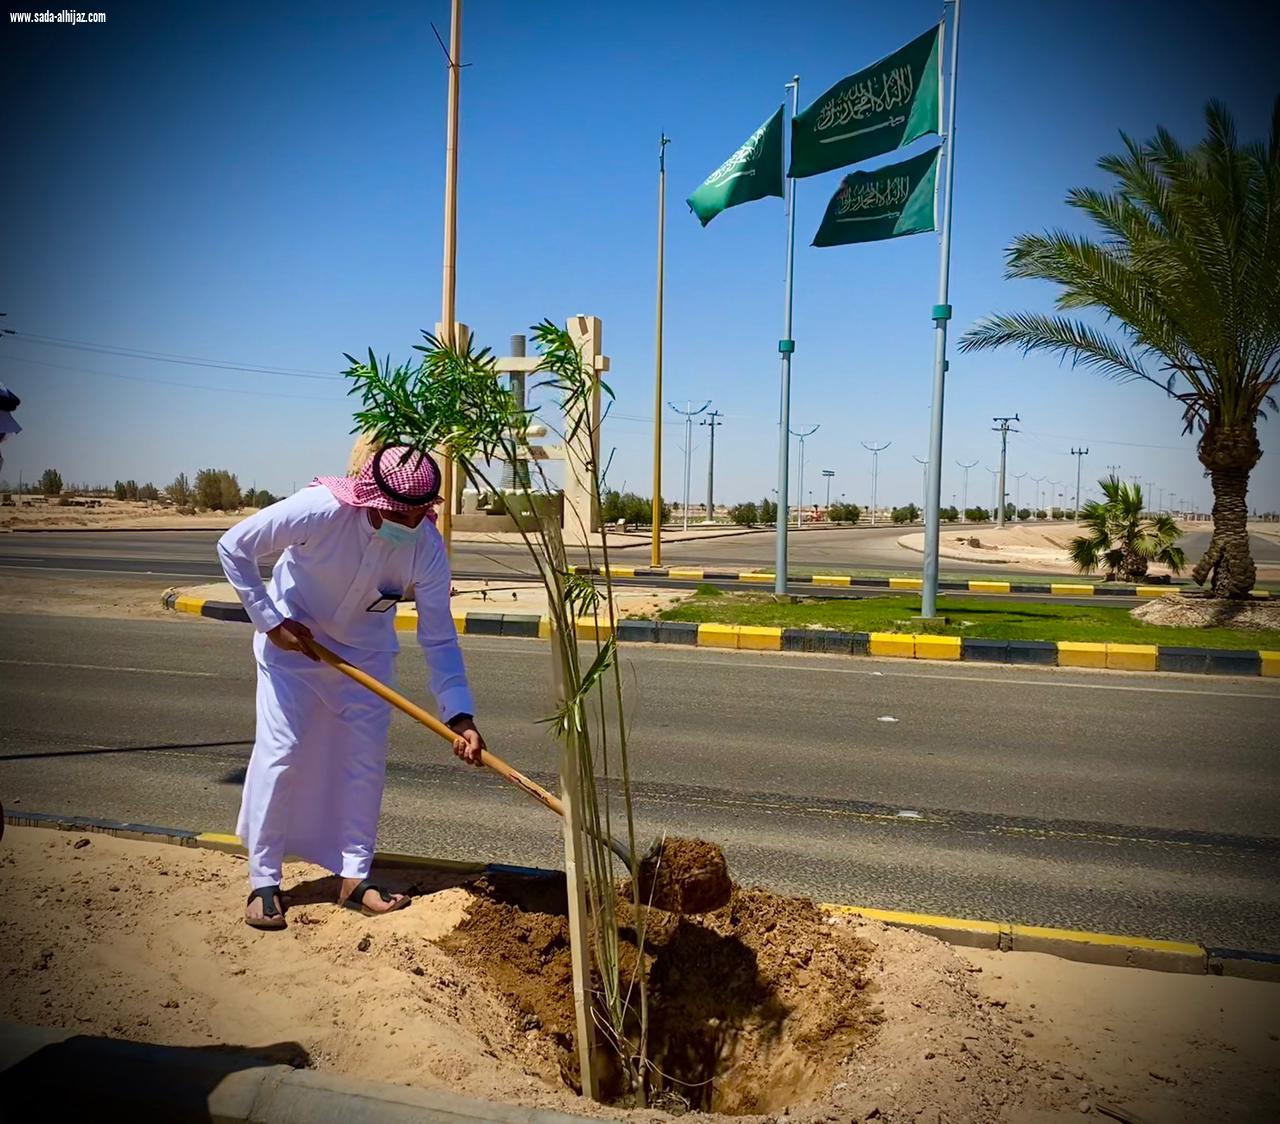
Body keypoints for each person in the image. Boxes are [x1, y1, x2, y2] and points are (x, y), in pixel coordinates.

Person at [217, 445, 485, 930]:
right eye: (409, 513)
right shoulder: (321, 510)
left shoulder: (426, 547)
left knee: (364, 764)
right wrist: (271, 621)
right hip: (295, 646)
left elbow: (439, 636)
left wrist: (459, 715)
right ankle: (264, 880)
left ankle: (354, 878)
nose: (420, 521)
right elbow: (233, 546)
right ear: (374, 502)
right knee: (283, 755)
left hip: (366, 657)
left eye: (426, 511)